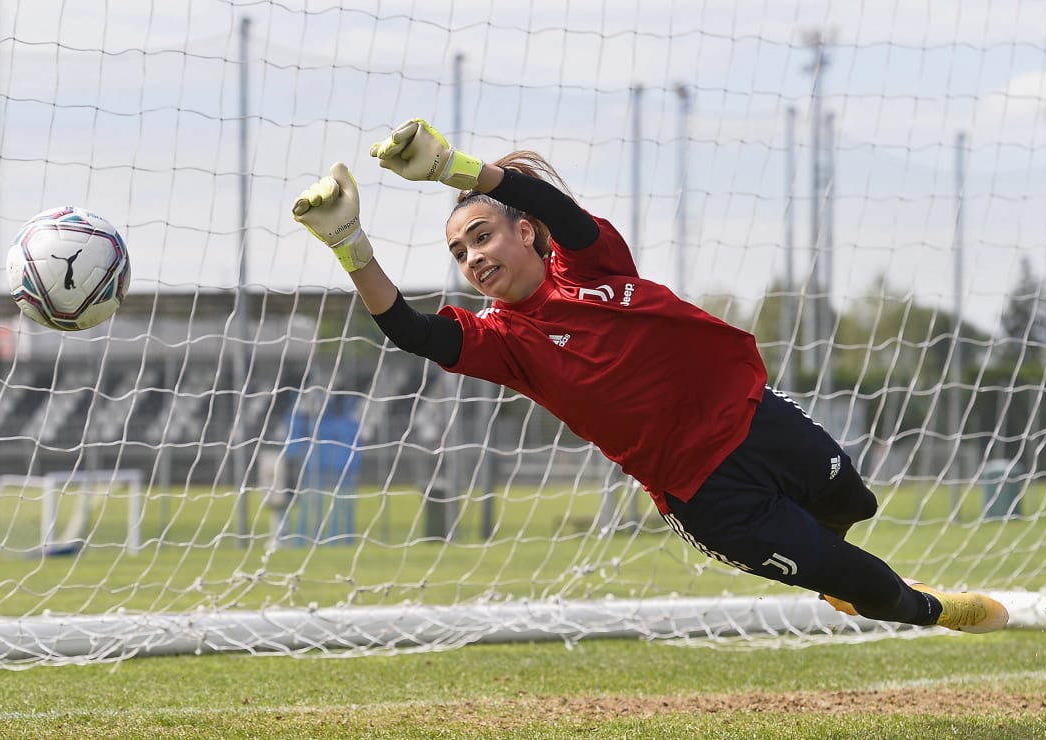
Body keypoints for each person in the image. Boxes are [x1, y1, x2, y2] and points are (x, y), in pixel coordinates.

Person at [292, 118, 1009, 634]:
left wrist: (455, 168)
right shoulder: (503, 341)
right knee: (866, 582)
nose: (472, 257)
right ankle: (932, 610)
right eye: (458, 252)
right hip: (706, 494)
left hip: (754, 416)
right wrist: (349, 244)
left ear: (526, 236)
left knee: (856, 499)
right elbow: (411, 331)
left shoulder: (594, 263)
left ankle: (836, 573)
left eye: (482, 235)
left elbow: (556, 206)